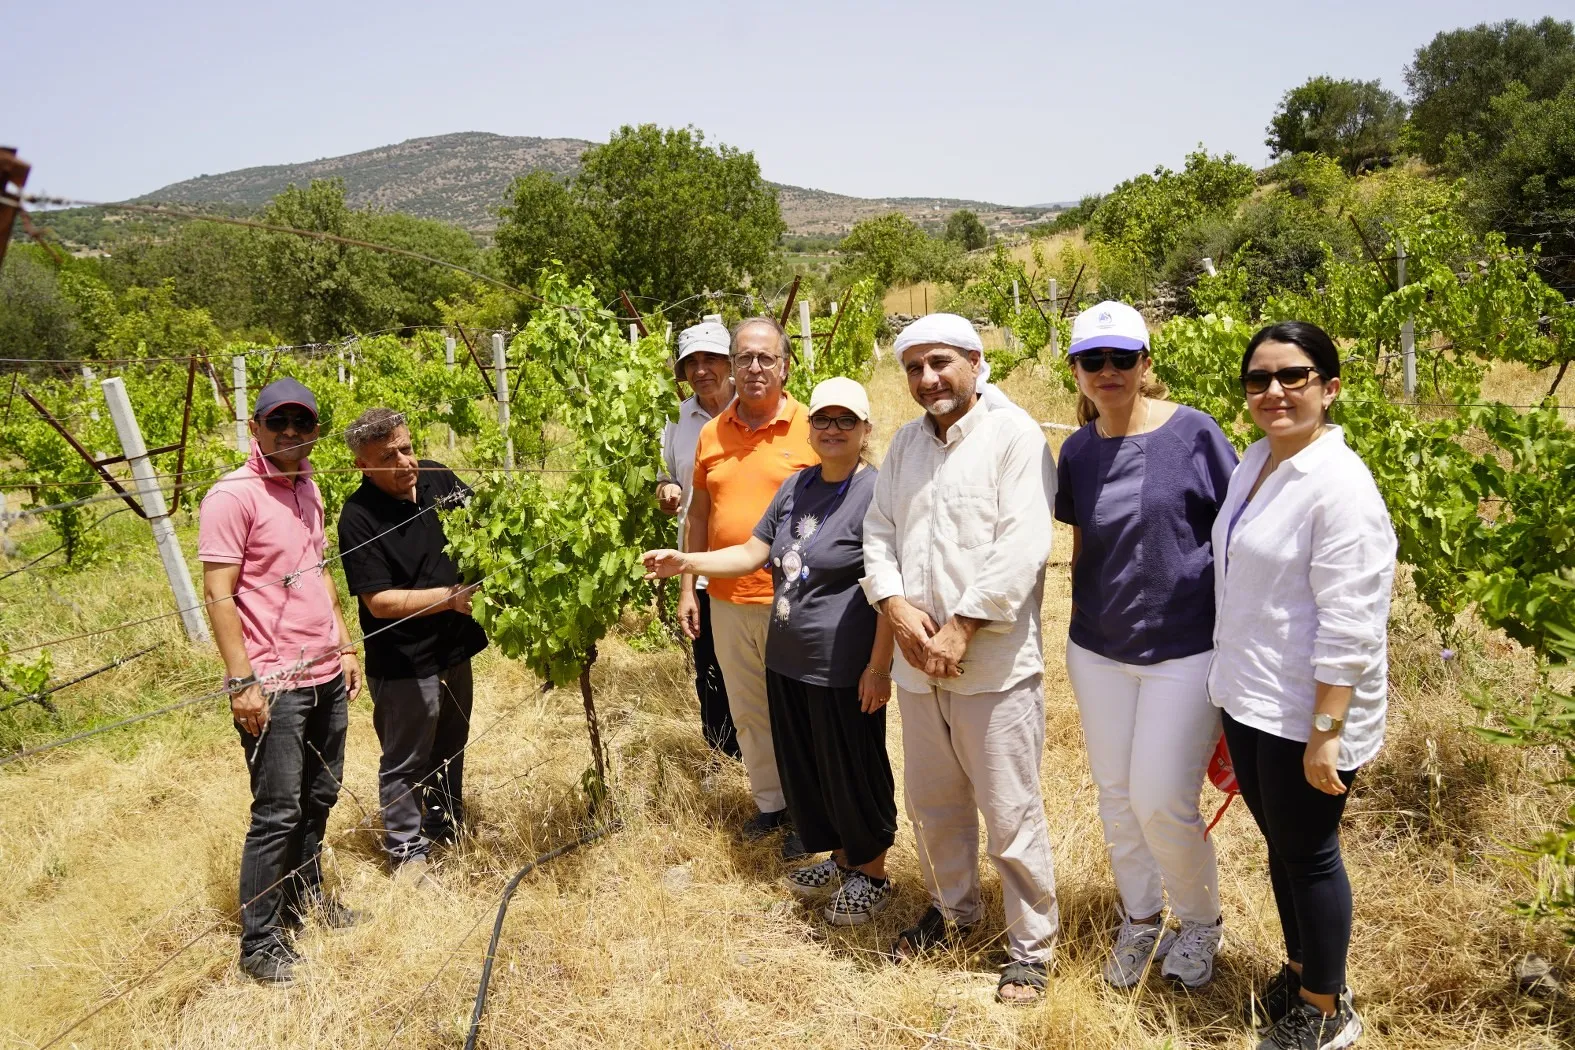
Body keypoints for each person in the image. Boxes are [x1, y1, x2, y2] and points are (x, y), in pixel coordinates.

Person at [645, 377, 898, 924]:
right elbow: (753, 552)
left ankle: (872, 872)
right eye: (823, 420)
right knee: (810, 767)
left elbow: (888, 587)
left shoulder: (874, 492)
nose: (831, 430)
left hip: (841, 664)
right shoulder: (796, 486)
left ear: (865, 430)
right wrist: (687, 563)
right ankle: (839, 857)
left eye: (845, 421)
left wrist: (880, 667)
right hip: (787, 659)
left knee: (853, 767)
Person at [861, 312, 1060, 1005]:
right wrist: (893, 606)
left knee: (1010, 811)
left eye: (940, 362)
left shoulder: (1014, 438)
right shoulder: (904, 446)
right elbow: (878, 534)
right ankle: (952, 915)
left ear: (975, 362)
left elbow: (1022, 543)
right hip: (916, 664)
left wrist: (962, 627)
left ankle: (1030, 948)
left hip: (993, 665)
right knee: (934, 806)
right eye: (914, 368)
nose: (927, 379)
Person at [1210, 321, 1396, 1049]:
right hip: (1250, 693)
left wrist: (1327, 732)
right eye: (1258, 380)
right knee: (1281, 845)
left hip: (1305, 709)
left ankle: (1325, 1008)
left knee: (1311, 853)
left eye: (1293, 376)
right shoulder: (1254, 460)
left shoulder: (1339, 486)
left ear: (1329, 387)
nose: (1273, 391)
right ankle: (1299, 968)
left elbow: (1352, 621)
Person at [1055, 301, 1239, 990]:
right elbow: (1081, 550)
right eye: (1093, 360)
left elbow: (1234, 536)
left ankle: (1199, 922)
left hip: (1184, 648)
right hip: (1097, 649)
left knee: (1161, 797)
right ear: (1074, 371)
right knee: (1113, 794)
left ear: (1145, 364)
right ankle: (1138, 919)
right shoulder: (1075, 451)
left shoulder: (1194, 432)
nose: (1108, 372)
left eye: (1122, 358)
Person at [197, 377, 363, 985]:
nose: (290, 433)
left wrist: (343, 643)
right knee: (277, 810)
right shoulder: (230, 496)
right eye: (278, 422)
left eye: (303, 423)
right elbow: (218, 595)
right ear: (256, 428)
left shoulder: (308, 486)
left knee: (319, 795)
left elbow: (318, 572)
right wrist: (242, 681)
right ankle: (259, 942)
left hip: (323, 666)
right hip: (274, 679)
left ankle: (305, 899)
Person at [682, 316, 819, 856]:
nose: (754, 368)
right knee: (747, 709)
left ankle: (812, 815)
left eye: (766, 358)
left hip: (796, 601)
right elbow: (699, 516)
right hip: (727, 600)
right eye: (744, 358)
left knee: (800, 712)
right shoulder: (711, 433)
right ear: (732, 367)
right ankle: (771, 804)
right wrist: (688, 588)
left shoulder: (813, 427)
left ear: (784, 366)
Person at [336, 407, 488, 886]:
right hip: (403, 660)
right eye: (389, 455)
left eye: (407, 447)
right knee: (406, 759)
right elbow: (379, 602)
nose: (405, 461)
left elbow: (486, 528)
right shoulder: (358, 518)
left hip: (453, 646)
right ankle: (407, 853)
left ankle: (445, 828)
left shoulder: (441, 479)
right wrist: (451, 599)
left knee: (451, 742)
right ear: (362, 466)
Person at [657, 319, 740, 759]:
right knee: (709, 666)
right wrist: (667, 491)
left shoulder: (752, 411)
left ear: (730, 363)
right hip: (700, 566)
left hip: (752, 565)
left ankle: (768, 760)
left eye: (710, 358)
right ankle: (723, 755)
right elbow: (666, 478)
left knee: (759, 668)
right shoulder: (676, 421)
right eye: (691, 361)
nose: (701, 369)